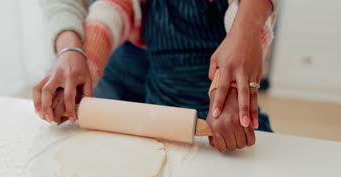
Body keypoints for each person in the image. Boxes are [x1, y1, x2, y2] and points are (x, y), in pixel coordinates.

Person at [35, 0, 278, 152]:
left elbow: (246, 18)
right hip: (161, 117)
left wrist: (234, 84)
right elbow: (114, 8)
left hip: (226, 117)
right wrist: (80, 65)